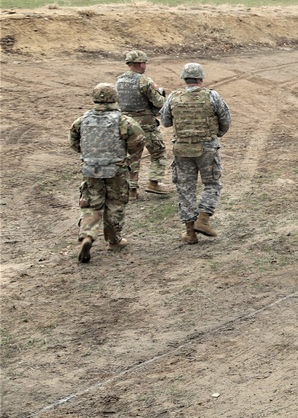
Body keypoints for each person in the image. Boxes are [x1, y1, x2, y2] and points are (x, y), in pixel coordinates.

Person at [69, 83, 145, 263]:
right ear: (115, 98)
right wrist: (127, 154)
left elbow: (74, 142)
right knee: (115, 203)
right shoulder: (123, 121)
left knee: (91, 203)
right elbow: (138, 140)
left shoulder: (83, 120)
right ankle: (113, 239)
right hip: (116, 169)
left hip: (90, 168)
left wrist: (89, 155)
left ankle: (87, 235)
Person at [160, 63, 232, 245]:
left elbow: (166, 121)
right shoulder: (212, 96)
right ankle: (204, 219)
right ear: (201, 79)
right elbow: (225, 119)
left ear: (185, 79)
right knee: (212, 183)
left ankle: (190, 232)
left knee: (185, 188)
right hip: (207, 147)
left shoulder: (173, 97)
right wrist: (218, 134)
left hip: (182, 148)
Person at [116, 49, 171, 200]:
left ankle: (131, 190)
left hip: (126, 125)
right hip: (146, 125)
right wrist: (161, 94)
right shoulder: (144, 80)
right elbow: (158, 102)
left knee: (131, 157)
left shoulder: (119, 81)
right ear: (140, 64)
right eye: (144, 63)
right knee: (158, 152)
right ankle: (154, 182)